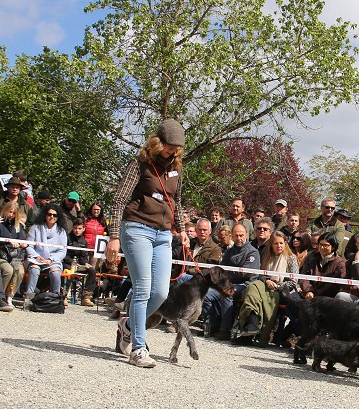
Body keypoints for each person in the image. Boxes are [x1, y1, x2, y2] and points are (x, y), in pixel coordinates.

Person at [104, 119, 188, 367]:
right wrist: (113, 237)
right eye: (169, 145)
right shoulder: (139, 164)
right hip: (137, 228)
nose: (172, 151)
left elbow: (177, 201)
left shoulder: (177, 168)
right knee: (142, 289)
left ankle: (127, 325)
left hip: (163, 235)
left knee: (161, 293)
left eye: (177, 147)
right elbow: (119, 199)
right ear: (157, 141)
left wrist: (182, 230)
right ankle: (138, 349)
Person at [233, 229, 298, 345]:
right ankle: (252, 321)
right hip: (265, 286)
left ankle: (252, 325)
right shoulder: (267, 256)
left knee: (259, 294)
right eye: (275, 243)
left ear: (285, 243)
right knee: (253, 287)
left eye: (281, 243)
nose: (278, 246)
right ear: (271, 245)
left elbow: (293, 281)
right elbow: (260, 274)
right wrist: (267, 281)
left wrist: (277, 286)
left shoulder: (291, 258)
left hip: (281, 291)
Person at [203, 223, 260, 339]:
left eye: (241, 235)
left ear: (247, 235)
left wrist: (229, 275)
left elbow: (245, 274)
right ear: (232, 236)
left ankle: (225, 329)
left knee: (227, 294)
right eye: (236, 235)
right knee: (206, 294)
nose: (239, 238)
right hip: (227, 284)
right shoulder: (229, 252)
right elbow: (222, 270)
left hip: (244, 286)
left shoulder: (252, 252)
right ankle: (213, 325)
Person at [0, 200, 27, 308]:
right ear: (5, 211)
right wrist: (7, 241)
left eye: (14, 213)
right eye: (9, 212)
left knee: (20, 271)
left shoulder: (18, 226)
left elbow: (22, 240)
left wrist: (23, 244)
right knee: (8, 270)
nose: (11, 215)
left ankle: (10, 296)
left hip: (14, 256)